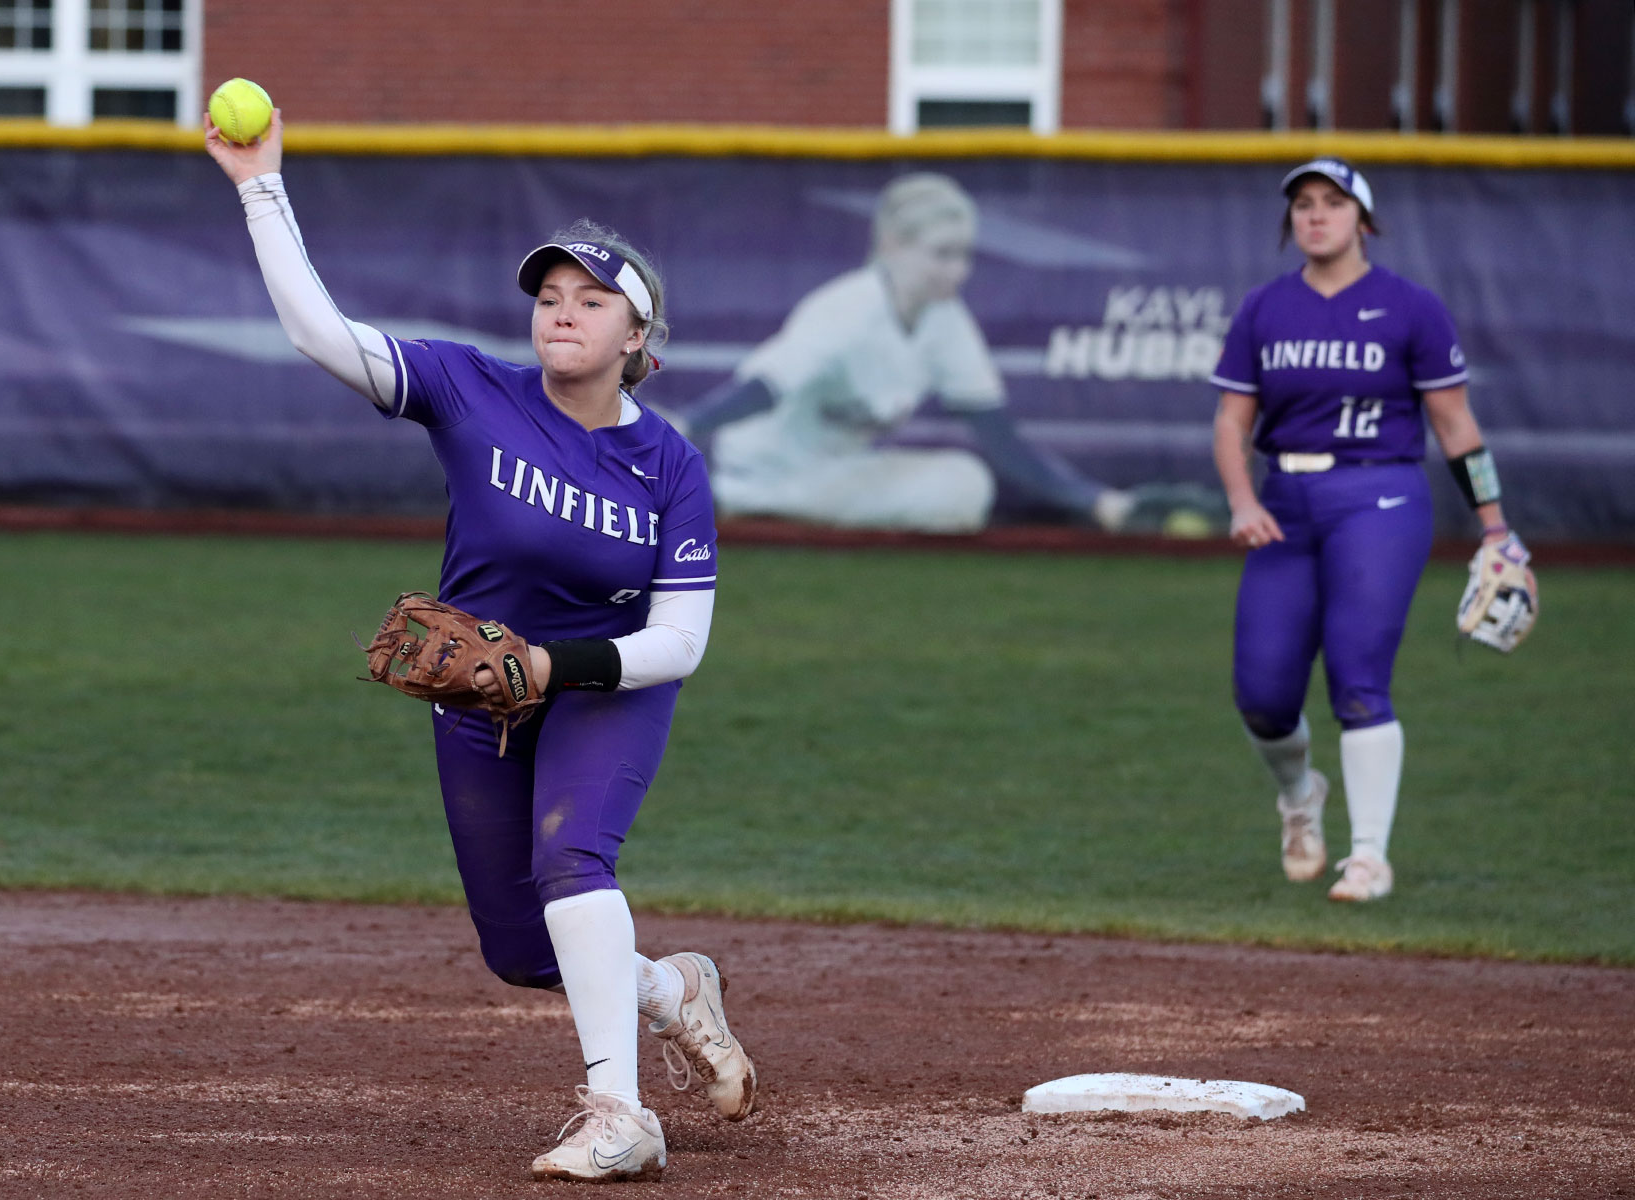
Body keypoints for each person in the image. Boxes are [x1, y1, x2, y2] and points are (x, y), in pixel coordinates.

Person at [205, 110, 755, 1183]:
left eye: (592, 300)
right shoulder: (472, 392)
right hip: (484, 694)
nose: (563, 312)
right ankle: (670, 991)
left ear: (637, 337)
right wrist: (259, 185)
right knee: (518, 948)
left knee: (572, 860)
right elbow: (322, 334)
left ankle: (619, 1112)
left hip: (608, 685)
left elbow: (681, 641)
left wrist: (562, 667)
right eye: (550, 296)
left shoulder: (671, 470)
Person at [1209, 158, 1523, 902]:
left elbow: (1455, 426)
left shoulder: (1411, 307)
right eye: (1303, 205)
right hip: (1285, 501)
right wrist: (1241, 500)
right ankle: (1299, 798)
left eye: (1333, 203)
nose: (1315, 216)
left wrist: (1496, 529)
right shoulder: (1264, 308)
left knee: (1358, 679)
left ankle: (1369, 857)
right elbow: (1232, 420)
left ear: (1364, 220)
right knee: (1261, 695)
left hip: (1378, 495)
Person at [680, 172, 1220, 535]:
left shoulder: (946, 320)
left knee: (968, 483)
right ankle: (733, 495)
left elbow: (998, 437)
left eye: (963, 255)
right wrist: (684, 429)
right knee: (958, 489)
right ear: (891, 244)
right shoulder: (847, 307)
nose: (957, 270)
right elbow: (763, 389)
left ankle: (748, 504)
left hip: (836, 475)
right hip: (760, 467)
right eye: (941, 254)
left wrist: (1103, 504)